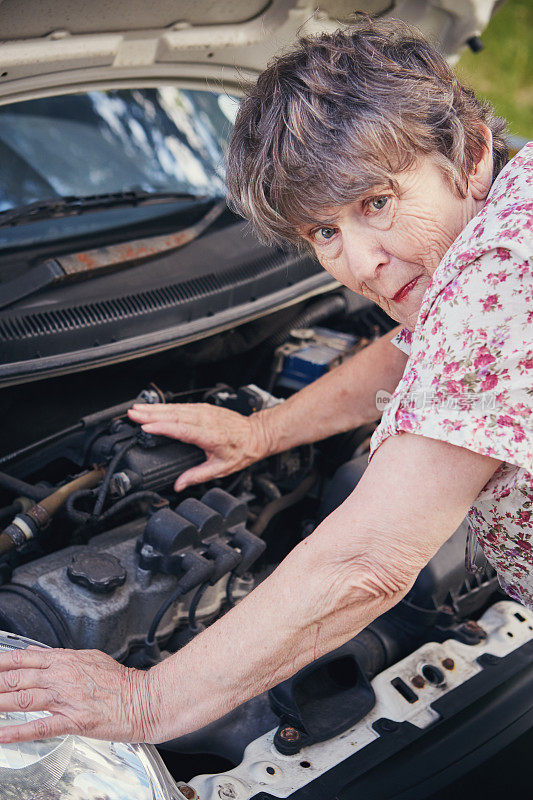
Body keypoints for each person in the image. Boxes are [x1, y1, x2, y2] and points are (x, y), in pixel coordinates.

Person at [0, 18, 530, 747]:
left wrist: (148, 700)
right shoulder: (507, 208)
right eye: (323, 232)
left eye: (375, 203)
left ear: (468, 154)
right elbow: (412, 349)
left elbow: (370, 560)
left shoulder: (500, 284)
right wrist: (264, 431)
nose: (358, 264)